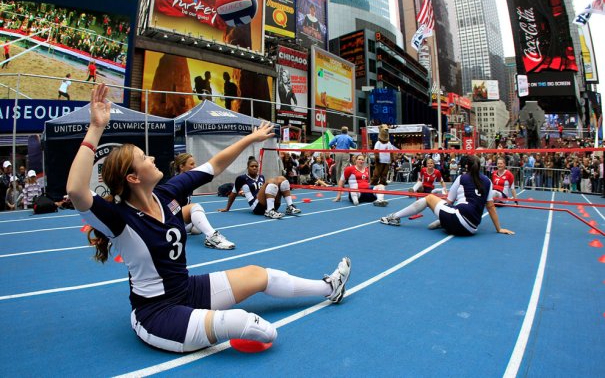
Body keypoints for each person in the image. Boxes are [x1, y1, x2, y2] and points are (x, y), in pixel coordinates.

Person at [66, 84, 351, 353]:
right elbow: (76, 190)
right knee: (255, 327)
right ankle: (206, 323)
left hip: (187, 289)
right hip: (157, 313)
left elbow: (213, 165)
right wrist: (95, 128)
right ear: (133, 177)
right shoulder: (120, 218)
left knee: (259, 274)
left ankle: (330, 288)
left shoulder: (165, 195)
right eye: (144, 158)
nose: (152, 158)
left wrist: (250, 138)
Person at [380, 155, 514, 236]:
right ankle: (443, 221)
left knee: (430, 198)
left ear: (466, 166)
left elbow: (449, 201)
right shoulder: (488, 181)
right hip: (472, 228)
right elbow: (490, 207)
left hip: (458, 219)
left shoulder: (461, 178)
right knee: (448, 206)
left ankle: (394, 217)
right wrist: (499, 228)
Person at [170, 153, 234, 250]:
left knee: (197, 229)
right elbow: (168, 207)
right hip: (171, 220)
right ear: (181, 166)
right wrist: (185, 212)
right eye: (191, 164)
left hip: (181, 222)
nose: (195, 166)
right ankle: (212, 237)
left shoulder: (188, 182)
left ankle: (184, 228)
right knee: (195, 207)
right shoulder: (174, 183)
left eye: (194, 164)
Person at [219, 157, 301, 219]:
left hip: (273, 205)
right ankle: (269, 211)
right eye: (252, 166)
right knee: (271, 181)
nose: (254, 168)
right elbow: (233, 194)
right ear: (247, 167)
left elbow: (269, 190)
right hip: (257, 207)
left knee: (282, 179)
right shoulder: (241, 178)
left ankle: (290, 206)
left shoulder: (261, 177)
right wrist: (227, 208)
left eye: (256, 166)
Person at [329, 126, 356, 195]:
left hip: (338, 153)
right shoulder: (349, 137)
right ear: (347, 131)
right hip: (345, 153)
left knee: (338, 168)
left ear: (341, 131)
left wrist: (334, 147)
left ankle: (339, 184)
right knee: (344, 169)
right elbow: (354, 146)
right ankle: (342, 183)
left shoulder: (337, 137)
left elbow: (330, 144)